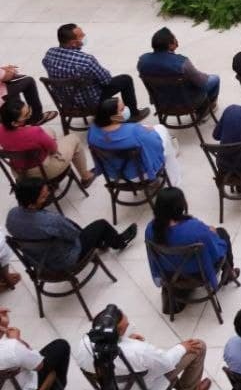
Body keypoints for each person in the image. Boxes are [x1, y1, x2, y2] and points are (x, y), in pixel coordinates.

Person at [74, 303, 210, 390]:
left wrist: (125, 340)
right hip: (147, 389)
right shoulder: (138, 350)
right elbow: (167, 363)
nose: (129, 326)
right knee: (198, 346)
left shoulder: (82, 346)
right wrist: (183, 347)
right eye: (126, 327)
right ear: (117, 332)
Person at [5, 178, 137, 272]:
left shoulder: (11, 216)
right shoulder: (51, 221)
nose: (49, 195)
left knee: (76, 230)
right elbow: (74, 235)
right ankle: (119, 242)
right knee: (101, 225)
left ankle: (101, 243)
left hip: (39, 262)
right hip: (66, 260)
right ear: (31, 204)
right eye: (43, 197)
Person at [144, 187, 236, 311]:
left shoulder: (150, 229)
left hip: (169, 274)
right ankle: (229, 273)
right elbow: (215, 253)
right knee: (222, 233)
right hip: (197, 274)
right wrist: (212, 234)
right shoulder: (194, 228)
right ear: (180, 206)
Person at [42, 23, 149, 118]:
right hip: (89, 102)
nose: (84, 36)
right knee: (125, 79)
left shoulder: (50, 53)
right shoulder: (86, 60)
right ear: (73, 43)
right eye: (81, 36)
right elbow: (106, 80)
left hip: (67, 102)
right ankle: (133, 114)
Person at [0, 94, 96, 186]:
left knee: (49, 131)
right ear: (15, 123)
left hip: (20, 172)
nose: (30, 114)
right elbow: (54, 149)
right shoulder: (34, 132)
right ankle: (86, 176)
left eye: (29, 109)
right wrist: (50, 143)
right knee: (74, 139)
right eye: (26, 115)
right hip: (41, 172)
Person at [87, 100, 182, 187]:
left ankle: (171, 150)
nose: (126, 110)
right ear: (113, 117)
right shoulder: (134, 131)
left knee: (148, 135)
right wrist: (151, 132)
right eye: (122, 109)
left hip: (112, 175)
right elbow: (156, 145)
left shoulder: (92, 131)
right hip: (139, 175)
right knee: (161, 129)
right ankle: (174, 180)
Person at [136, 27, 220, 108]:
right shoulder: (183, 63)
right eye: (174, 38)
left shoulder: (142, 61)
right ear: (170, 45)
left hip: (161, 103)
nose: (176, 40)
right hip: (187, 103)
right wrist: (205, 76)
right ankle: (205, 108)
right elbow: (201, 82)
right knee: (215, 79)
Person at [0, 307, 69, 390]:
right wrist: (17, 340)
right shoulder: (11, 347)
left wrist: (4, 327)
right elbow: (39, 365)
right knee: (61, 345)